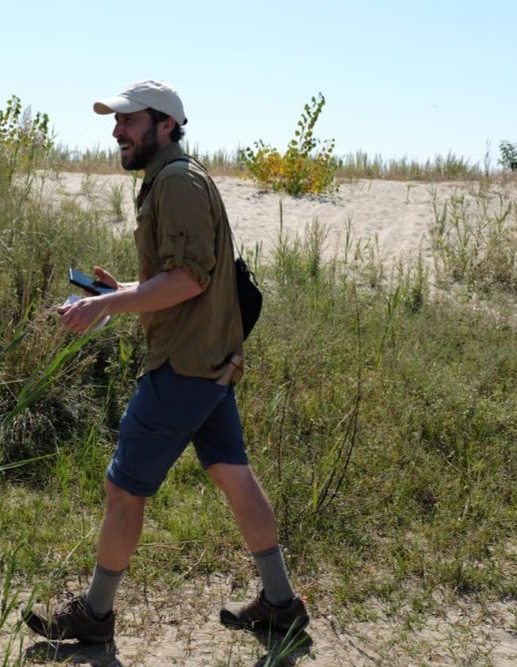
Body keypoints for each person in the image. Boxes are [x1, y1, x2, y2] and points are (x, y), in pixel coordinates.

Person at [26, 80, 308, 645]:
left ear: (166, 125)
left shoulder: (176, 181)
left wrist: (108, 303)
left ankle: (94, 617)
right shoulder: (174, 177)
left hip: (183, 366)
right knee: (232, 474)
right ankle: (281, 603)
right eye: (116, 120)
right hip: (209, 361)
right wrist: (120, 290)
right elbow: (182, 279)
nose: (117, 130)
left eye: (129, 120)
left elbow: (187, 280)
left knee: (123, 489)